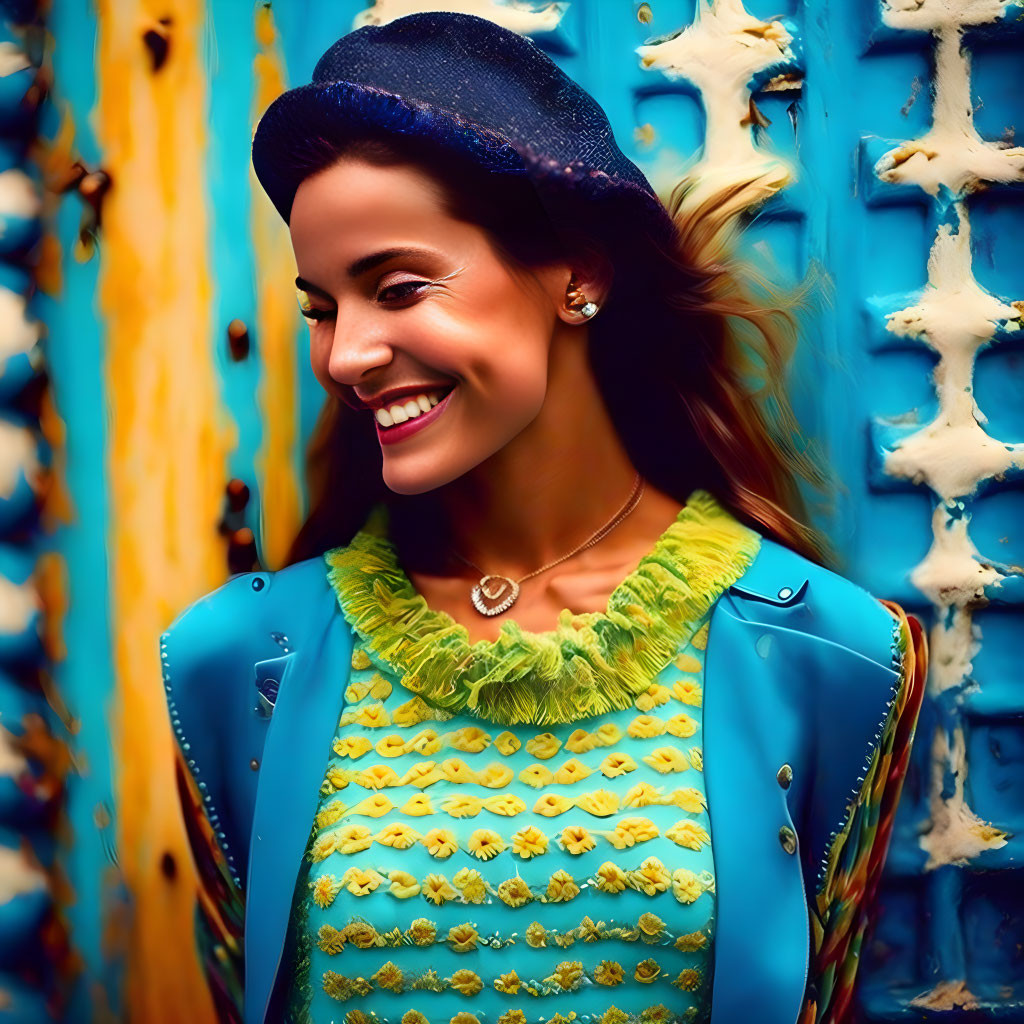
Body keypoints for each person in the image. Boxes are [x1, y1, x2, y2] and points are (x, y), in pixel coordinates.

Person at [161, 12, 926, 1024]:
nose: (345, 356)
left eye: (397, 286)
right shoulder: (233, 665)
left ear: (578, 272)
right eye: (322, 307)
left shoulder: (833, 658)